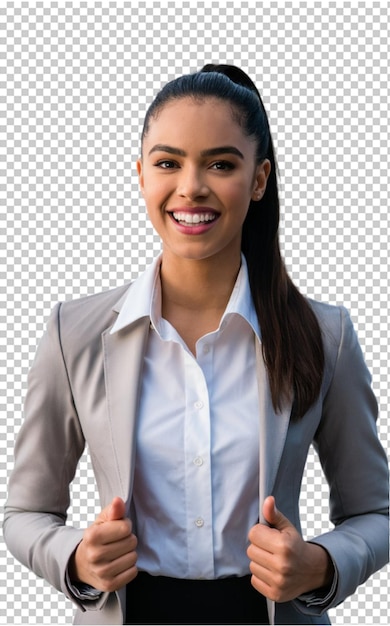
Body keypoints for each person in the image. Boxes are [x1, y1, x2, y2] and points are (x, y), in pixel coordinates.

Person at [3, 64, 388, 626]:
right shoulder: (74, 332)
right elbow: (26, 511)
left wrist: (321, 565)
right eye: (168, 163)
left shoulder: (324, 336)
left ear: (259, 180)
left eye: (220, 164)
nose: (191, 187)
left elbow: (374, 511)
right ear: (140, 175)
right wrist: (77, 559)